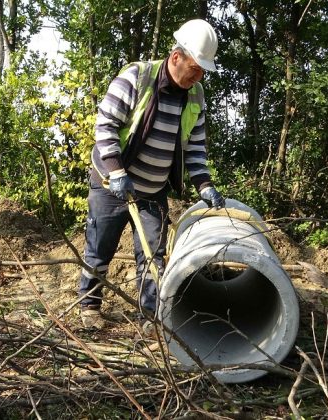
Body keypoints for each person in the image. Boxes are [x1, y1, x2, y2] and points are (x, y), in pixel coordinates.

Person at [78, 19, 226, 332]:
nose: (198, 76)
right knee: (99, 247)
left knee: (153, 257)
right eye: (195, 68)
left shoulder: (195, 97)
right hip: (111, 184)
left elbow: (196, 150)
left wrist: (205, 185)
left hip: (153, 190)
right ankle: (90, 307)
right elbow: (104, 126)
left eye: (202, 71)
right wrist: (116, 171)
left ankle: (150, 317)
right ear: (176, 58)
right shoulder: (136, 77)